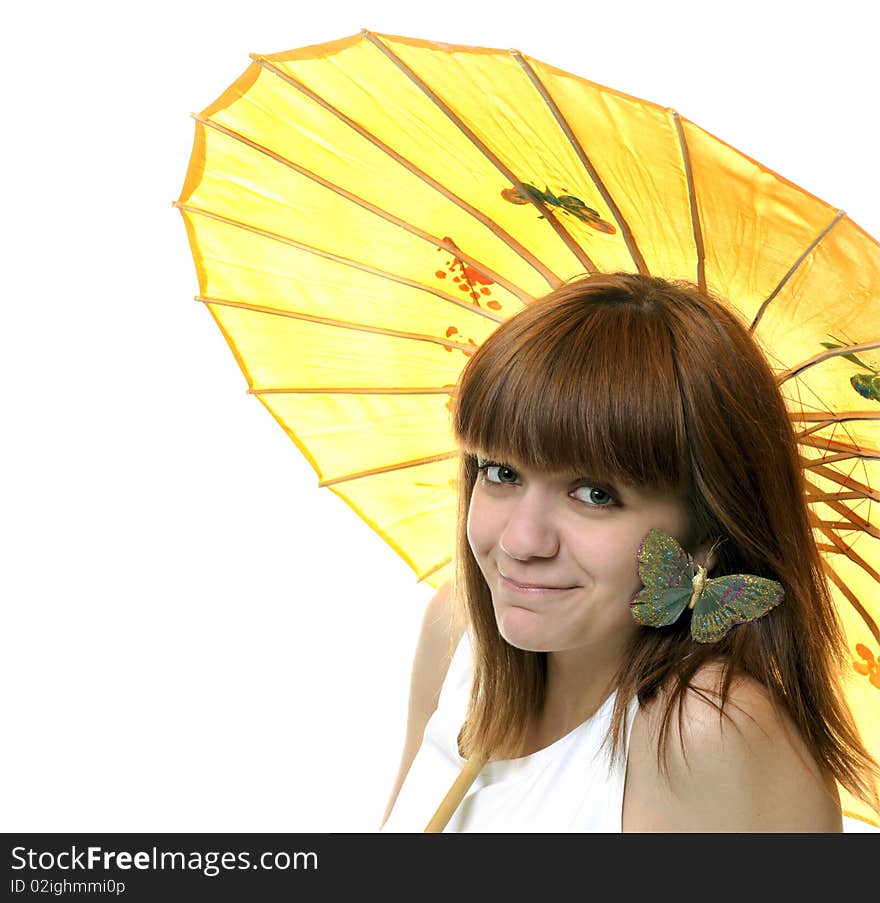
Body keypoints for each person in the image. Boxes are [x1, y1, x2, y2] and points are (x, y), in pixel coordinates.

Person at [379, 272, 880, 832]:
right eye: (501, 472)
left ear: (705, 536)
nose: (521, 541)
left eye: (595, 494)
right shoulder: (457, 633)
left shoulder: (705, 732)